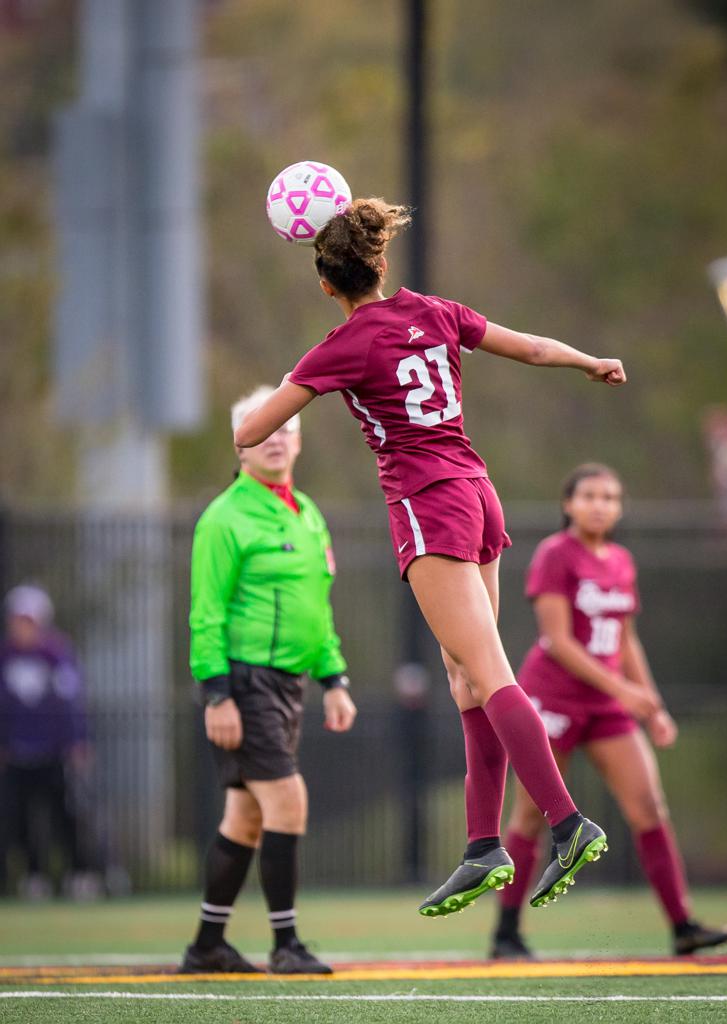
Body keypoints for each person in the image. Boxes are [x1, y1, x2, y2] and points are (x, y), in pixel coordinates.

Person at [234, 198, 627, 918]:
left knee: (487, 670)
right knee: (465, 678)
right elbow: (534, 349)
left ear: (327, 284)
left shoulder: (341, 344)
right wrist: (589, 362)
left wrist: (311, 378)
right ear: (381, 264)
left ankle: (568, 825)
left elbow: (251, 430)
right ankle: (483, 848)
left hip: (428, 503)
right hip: (478, 494)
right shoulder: (438, 312)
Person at [490, 463, 727, 958]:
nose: (599, 504)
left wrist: (653, 706)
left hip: (606, 705)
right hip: (553, 701)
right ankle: (507, 933)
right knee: (532, 815)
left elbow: (626, 640)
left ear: (619, 507)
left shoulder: (622, 560)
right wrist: (622, 690)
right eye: (589, 495)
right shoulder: (555, 554)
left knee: (648, 806)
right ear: (569, 504)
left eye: (609, 497)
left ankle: (683, 926)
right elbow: (558, 642)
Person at [182, 386, 357, 975]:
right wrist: (217, 694)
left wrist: (333, 678)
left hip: (291, 685)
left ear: (299, 440)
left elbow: (318, 606)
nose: (278, 439)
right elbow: (205, 612)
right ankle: (286, 945)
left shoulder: (305, 513)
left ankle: (208, 945)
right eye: (265, 430)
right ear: (242, 442)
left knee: (246, 818)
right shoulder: (225, 517)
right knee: (287, 801)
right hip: (245, 681)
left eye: (287, 430)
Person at [0, 584, 93, 899]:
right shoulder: (5, 656)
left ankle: (78, 874)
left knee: (64, 815)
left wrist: (77, 741)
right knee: (19, 817)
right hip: (16, 754)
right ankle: (33, 876)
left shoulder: (56, 654)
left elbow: (71, 701)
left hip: (53, 753)